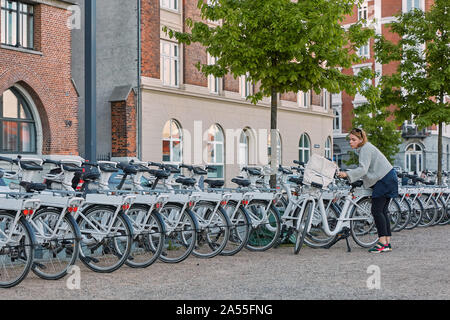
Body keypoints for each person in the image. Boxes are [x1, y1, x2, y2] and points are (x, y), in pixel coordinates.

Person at [337, 128, 398, 253]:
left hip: (384, 179)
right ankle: (386, 242)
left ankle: (381, 242)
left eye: (353, 139)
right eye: (350, 139)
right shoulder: (365, 148)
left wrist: (346, 174)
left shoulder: (365, 148)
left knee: (376, 211)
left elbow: (363, 169)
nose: (350, 142)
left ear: (361, 140)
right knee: (383, 211)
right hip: (388, 177)